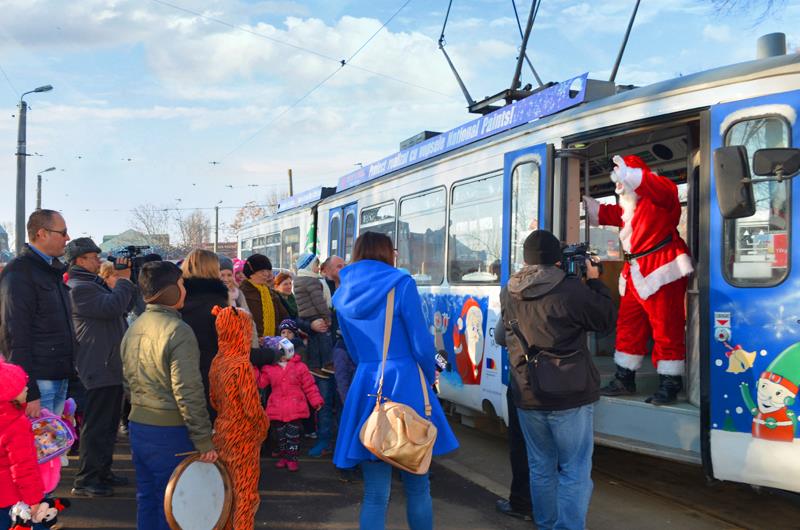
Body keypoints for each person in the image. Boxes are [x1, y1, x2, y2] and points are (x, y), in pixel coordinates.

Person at [333, 232, 459, 530]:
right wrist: (429, 377)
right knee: (418, 485)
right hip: (406, 383)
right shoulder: (401, 284)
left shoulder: (342, 292)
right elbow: (421, 344)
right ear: (389, 253)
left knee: (376, 494)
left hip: (367, 382)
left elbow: (350, 347)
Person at [500, 230, 616, 530]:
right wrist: (594, 281)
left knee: (540, 468)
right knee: (574, 470)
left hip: (527, 392)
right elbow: (605, 320)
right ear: (557, 260)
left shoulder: (509, 290)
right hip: (570, 393)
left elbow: (504, 335)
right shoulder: (570, 290)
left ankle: (547, 524)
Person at [584, 155, 693, 405]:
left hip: (661, 268)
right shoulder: (628, 206)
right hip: (635, 270)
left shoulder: (661, 193)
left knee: (666, 326)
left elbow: (658, 187)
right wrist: (587, 205)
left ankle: (670, 382)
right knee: (628, 325)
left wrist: (632, 175)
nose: (618, 184)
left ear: (633, 176)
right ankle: (624, 377)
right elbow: (608, 213)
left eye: (621, 176)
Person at [120, 261, 217, 530]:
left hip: (139, 426)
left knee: (148, 498)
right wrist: (203, 439)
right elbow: (188, 390)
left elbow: (127, 380)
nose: (185, 290)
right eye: (182, 284)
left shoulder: (135, 326)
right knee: (173, 505)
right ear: (170, 291)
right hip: (170, 433)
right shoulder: (178, 331)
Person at [65, 238, 136, 498]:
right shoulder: (79, 288)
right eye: (94, 257)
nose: (99, 260)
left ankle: (102, 471)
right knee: (96, 427)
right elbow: (113, 307)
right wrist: (124, 280)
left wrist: (126, 282)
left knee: (107, 426)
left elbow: (124, 306)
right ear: (80, 260)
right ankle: (87, 479)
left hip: (107, 365)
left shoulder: (92, 284)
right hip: (97, 367)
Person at [0, 210, 74, 419]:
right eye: (63, 232)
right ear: (42, 233)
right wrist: (29, 390)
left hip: (57, 378)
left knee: (54, 450)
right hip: (39, 384)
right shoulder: (19, 273)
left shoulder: (51, 271)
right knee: (38, 451)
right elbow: (14, 336)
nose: (67, 238)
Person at [209, 305, 268, 530]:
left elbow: (213, 399)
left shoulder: (218, 361)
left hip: (223, 431)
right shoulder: (241, 365)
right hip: (243, 435)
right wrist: (263, 425)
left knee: (225, 489)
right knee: (245, 492)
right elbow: (252, 408)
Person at [256, 337, 323, 472]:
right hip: (277, 408)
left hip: (295, 408)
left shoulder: (300, 367)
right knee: (280, 436)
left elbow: (309, 386)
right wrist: (256, 368)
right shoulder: (269, 369)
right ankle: (284, 456)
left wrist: (316, 400)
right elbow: (261, 383)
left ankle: (292, 458)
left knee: (293, 436)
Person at [180, 249, 229, 420]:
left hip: (182, 374)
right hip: (212, 376)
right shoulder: (218, 303)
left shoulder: (178, 299)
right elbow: (230, 347)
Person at [491, 320, 532, 522]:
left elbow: (500, 336)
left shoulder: (514, 294)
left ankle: (522, 504)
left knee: (521, 447)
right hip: (564, 386)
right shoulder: (568, 292)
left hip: (523, 383)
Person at [0, 362, 45, 529]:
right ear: (9, 394)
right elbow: (23, 467)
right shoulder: (16, 424)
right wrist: (34, 500)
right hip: (10, 497)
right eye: (22, 386)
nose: (27, 389)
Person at [240, 254, 288, 338]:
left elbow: (284, 317)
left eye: (268, 270)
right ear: (251, 273)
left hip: (274, 342)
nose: (266, 274)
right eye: (262, 271)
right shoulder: (242, 293)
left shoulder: (271, 293)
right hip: (251, 344)